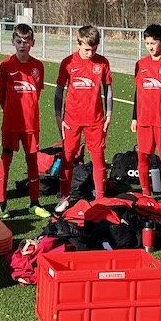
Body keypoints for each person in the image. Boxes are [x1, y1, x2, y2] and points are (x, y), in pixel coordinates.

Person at [0, 23, 51, 220]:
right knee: (6, 160)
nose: (22, 45)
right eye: (18, 41)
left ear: (32, 43)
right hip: (11, 123)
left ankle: (34, 203)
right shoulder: (5, 65)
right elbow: (1, 92)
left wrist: (29, 110)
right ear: (13, 42)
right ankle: (2, 205)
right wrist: (9, 110)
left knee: (32, 162)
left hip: (31, 124)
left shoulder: (38, 66)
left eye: (26, 42)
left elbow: (37, 94)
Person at [54, 24, 113, 210]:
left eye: (94, 49)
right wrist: (58, 115)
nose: (91, 53)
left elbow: (108, 89)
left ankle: (100, 199)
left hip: (95, 120)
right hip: (71, 120)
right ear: (78, 43)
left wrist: (109, 113)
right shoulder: (67, 62)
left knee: (98, 159)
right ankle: (64, 197)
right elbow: (59, 90)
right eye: (87, 49)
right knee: (68, 157)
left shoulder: (103, 63)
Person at [132, 23, 161, 211]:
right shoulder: (140, 64)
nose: (150, 47)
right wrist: (134, 117)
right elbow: (137, 93)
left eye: (153, 43)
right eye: (147, 43)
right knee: (143, 157)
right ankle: (146, 193)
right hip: (144, 120)